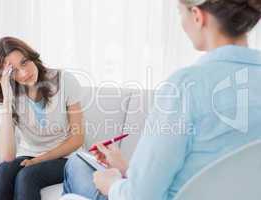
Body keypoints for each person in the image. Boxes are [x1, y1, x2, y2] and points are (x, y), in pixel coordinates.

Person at [62, 0, 261, 199]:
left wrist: (112, 183)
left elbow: (139, 196)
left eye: (179, 12)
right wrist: (127, 170)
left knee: (75, 164)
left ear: (197, 16)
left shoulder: (186, 85)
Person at [0, 37, 85, 200]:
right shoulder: (10, 93)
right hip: (30, 156)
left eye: (24, 62)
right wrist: (7, 101)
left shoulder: (64, 80)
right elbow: (8, 156)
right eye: (15, 70)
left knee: (27, 177)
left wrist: (40, 160)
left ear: (31, 55)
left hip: (67, 157)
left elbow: (78, 139)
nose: (24, 73)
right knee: (1, 172)